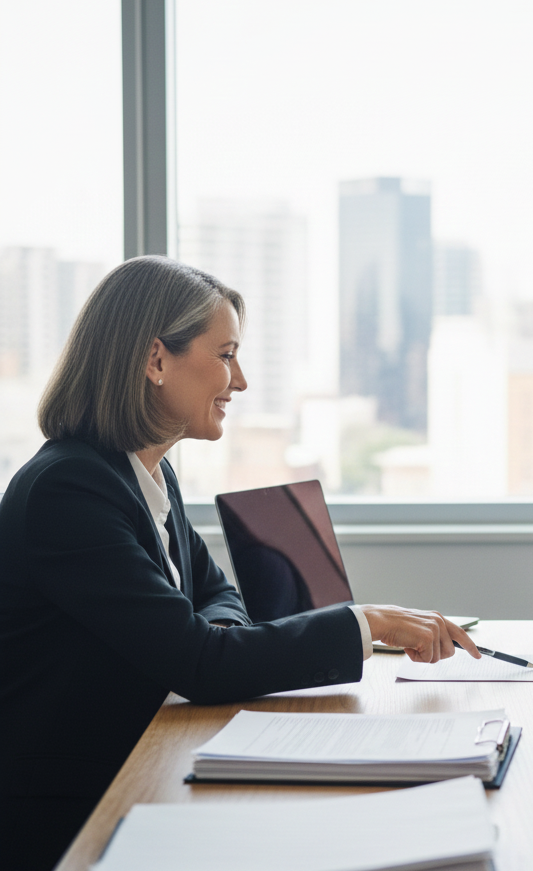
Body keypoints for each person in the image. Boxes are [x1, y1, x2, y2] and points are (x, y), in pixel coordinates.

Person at [0, 256, 480, 871]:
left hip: (140, 767)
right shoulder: (69, 490)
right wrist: (368, 624)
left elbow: (215, 595)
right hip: (68, 816)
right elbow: (199, 660)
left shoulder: (144, 473)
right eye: (225, 355)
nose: (241, 380)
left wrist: (215, 639)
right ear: (155, 360)